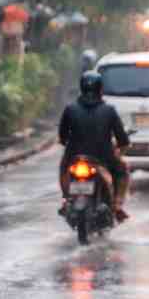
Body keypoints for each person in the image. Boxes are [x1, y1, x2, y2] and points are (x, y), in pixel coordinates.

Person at [58, 71, 130, 221]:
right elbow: (122, 139)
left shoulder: (70, 109)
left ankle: (66, 199)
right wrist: (120, 148)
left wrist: (68, 144)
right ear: (100, 89)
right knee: (122, 170)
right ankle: (117, 206)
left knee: (63, 168)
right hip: (104, 157)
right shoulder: (109, 111)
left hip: (74, 156)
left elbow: (62, 136)